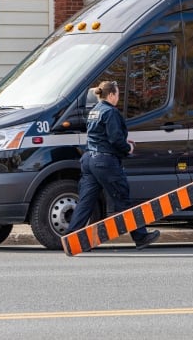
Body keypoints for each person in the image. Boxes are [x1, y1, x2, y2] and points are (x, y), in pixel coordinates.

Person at [66, 80, 160, 250]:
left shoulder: (94, 111)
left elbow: (101, 136)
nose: (118, 97)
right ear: (111, 95)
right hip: (105, 162)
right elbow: (115, 139)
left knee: (85, 202)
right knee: (122, 199)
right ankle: (141, 237)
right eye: (117, 94)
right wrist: (128, 148)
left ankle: (71, 238)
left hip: (89, 159)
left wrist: (120, 142)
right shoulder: (111, 112)